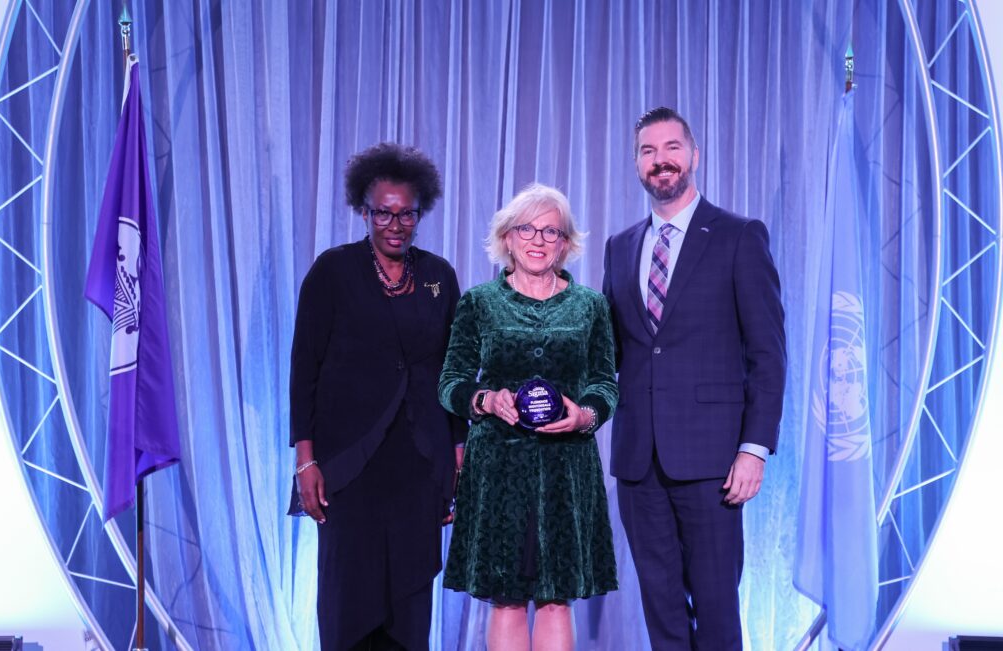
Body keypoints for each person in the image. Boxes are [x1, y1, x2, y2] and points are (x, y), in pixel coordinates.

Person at [602, 106, 786, 650]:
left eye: (672, 148)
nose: (661, 161)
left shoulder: (737, 236)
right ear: (636, 163)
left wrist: (754, 449)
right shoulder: (620, 246)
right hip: (639, 463)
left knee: (716, 609)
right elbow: (612, 351)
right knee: (661, 613)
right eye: (648, 151)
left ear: (694, 156)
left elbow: (768, 354)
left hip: (714, 462)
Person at [289, 142, 466, 651]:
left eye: (405, 213)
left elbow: (453, 369)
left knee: (410, 608)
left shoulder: (438, 276)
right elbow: (304, 371)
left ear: (419, 213)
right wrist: (305, 462)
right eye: (382, 213)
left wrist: (458, 450)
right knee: (349, 601)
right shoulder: (333, 272)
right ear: (364, 212)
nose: (395, 224)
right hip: (348, 465)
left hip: (420, 463)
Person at [438, 183, 619, 651]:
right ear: (508, 237)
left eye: (550, 232)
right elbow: (451, 382)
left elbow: (605, 383)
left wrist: (585, 415)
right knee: (507, 598)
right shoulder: (479, 303)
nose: (538, 240)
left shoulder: (591, 306)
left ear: (566, 243)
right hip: (499, 468)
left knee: (557, 598)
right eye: (527, 229)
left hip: (567, 470)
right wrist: (485, 399)